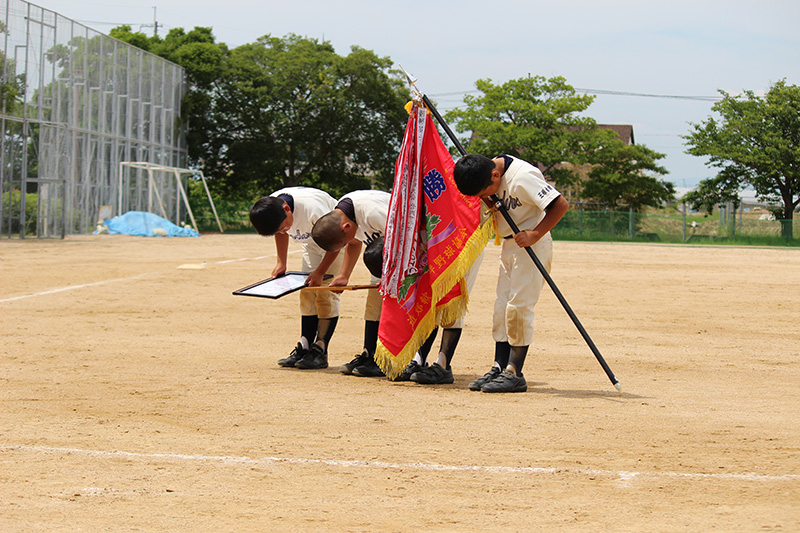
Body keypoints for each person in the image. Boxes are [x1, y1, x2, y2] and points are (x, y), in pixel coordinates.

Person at [453, 153, 569, 393]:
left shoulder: (523, 176)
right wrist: (489, 200)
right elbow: (490, 200)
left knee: (518, 307)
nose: (484, 198)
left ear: (495, 175)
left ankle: (515, 372)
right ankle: (499, 366)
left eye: (485, 192)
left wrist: (535, 234)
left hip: (531, 244)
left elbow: (560, 205)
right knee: (501, 307)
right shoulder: (486, 173)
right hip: (509, 244)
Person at [361, 236, 485, 385]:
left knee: (451, 303)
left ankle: (443, 365)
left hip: (460, 244)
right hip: (433, 247)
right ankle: (419, 360)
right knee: (429, 302)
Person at [249, 187, 344, 370]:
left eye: (284, 226)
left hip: (336, 241)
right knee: (306, 291)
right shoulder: (273, 205)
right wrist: (281, 262)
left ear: (287, 209)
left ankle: (320, 350)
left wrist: (321, 271)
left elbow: (338, 241)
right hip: (312, 243)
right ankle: (305, 346)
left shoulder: (314, 209)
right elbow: (280, 233)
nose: (284, 230)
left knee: (325, 293)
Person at [310, 189, 391, 377]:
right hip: (383, 258)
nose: (347, 242)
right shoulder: (344, 214)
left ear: (345, 227)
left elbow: (406, 239)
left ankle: (387, 359)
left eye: (343, 242)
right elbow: (354, 243)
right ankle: (370, 354)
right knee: (373, 305)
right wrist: (344, 275)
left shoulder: (374, 213)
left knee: (391, 305)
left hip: (408, 255)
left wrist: (393, 275)